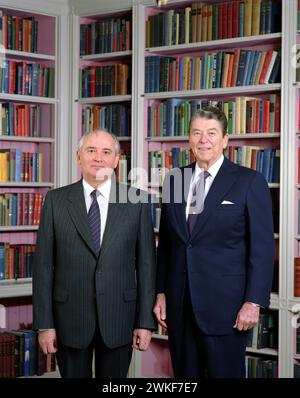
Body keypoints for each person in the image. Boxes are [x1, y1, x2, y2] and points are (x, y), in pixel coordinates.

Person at [153, 107, 275, 378]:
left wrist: (253, 302)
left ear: (225, 139)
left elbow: (263, 249)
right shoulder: (175, 179)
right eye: (197, 133)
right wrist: (160, 292)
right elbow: (168, 244)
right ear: (189, 140)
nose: (203, 140)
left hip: (227, 309)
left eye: (211, 133)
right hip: (180, 305)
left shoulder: (249, 181)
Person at [33, 129, 156, 378]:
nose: (98, 158)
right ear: (79, 157)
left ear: (116, 159)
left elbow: (146, 266)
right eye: (91, 151)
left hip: (120, 319)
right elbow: (43, 267)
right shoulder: (56, 201)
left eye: (106, 152)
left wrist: (145, 322)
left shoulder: (138, 202)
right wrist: (44, 324)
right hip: (69, 319)